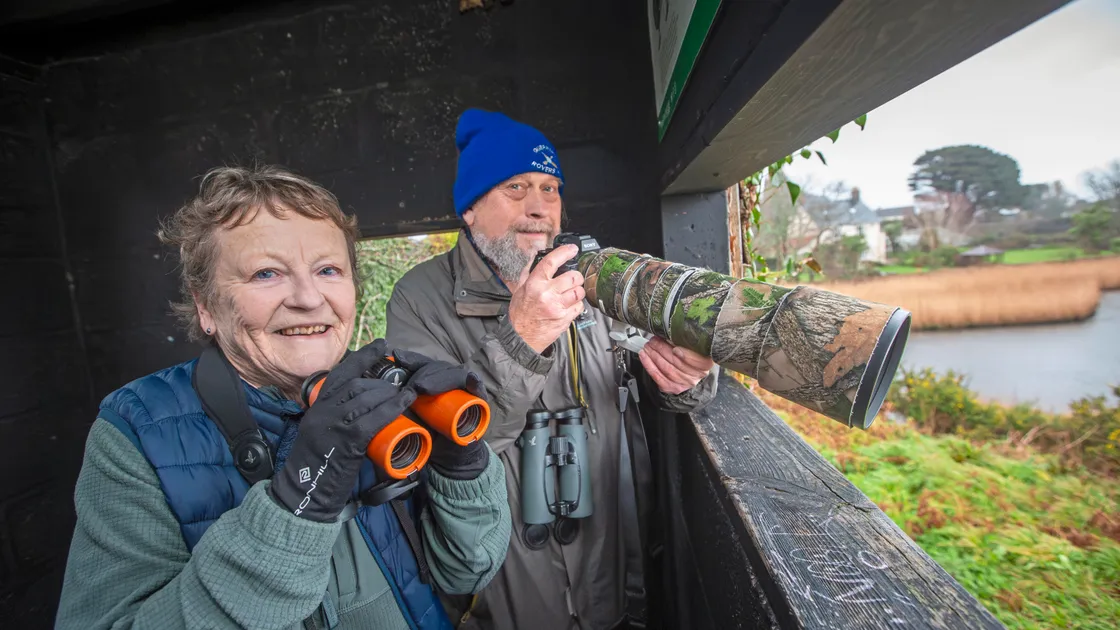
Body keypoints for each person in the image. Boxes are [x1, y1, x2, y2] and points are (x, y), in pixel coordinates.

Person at [55, 165, 512, 630]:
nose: (309, 298)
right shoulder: (135, 431)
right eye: (266, 273)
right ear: (206, 305)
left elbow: (467, 570)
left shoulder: (387, 391)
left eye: (328, 269)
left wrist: (462, 465)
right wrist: (296, 504)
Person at [385, 109, 719, 630]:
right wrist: (520, 339)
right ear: (470, 208)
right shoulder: (419, 299)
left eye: (550, 188)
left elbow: (650, 393)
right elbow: (440, 450)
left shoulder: (598, 277)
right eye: (515, 187)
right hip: (508, 596)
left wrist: (683, 378)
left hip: (616, 571)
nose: (539, 208)